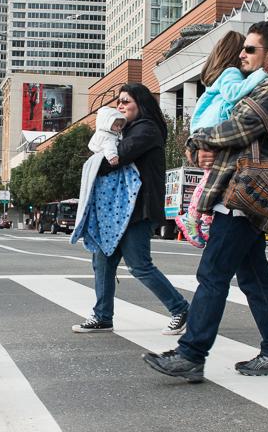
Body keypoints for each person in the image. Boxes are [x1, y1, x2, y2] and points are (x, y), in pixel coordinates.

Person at [143, 21, 268, 382]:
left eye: (250, 50)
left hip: (243, 196)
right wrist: (199, 148)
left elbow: (239, 128)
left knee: (212, 274)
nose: (241, 55)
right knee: (254, 278)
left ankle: (191, 354)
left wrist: (199, 140)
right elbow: (223, 130)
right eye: (243, 48)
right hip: (234, 192)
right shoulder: (249, 87)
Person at [71, 84, 189, 335]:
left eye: (126, 101)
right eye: (119, 102)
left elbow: (113, 160)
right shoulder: (126, 130)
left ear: (141, 104)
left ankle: (180, 309)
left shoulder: (146, 129)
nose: (120, 106)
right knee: (102, 261)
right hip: (117, 209)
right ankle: (102, 316)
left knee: (139, 265)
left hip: (138, 209)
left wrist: (102, 154)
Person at [175, 32, 267, 248]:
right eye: (244, 50)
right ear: (235, 54)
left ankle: (201, 219)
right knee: (211, 179)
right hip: (213, 129)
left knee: (210, 178)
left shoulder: (220, 76)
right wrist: (263, 73)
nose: (246, 54)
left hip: (205, 129)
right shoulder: (231, 73)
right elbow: (235, 93)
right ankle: (196, 217)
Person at [71, 105, 141, 257]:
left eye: (120, 125)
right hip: (109, 171)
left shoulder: (108, 134)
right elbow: (109, 147)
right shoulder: (106, 136)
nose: (118, 127)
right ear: (105, 123)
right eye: (115, 124)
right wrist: (112, 157)